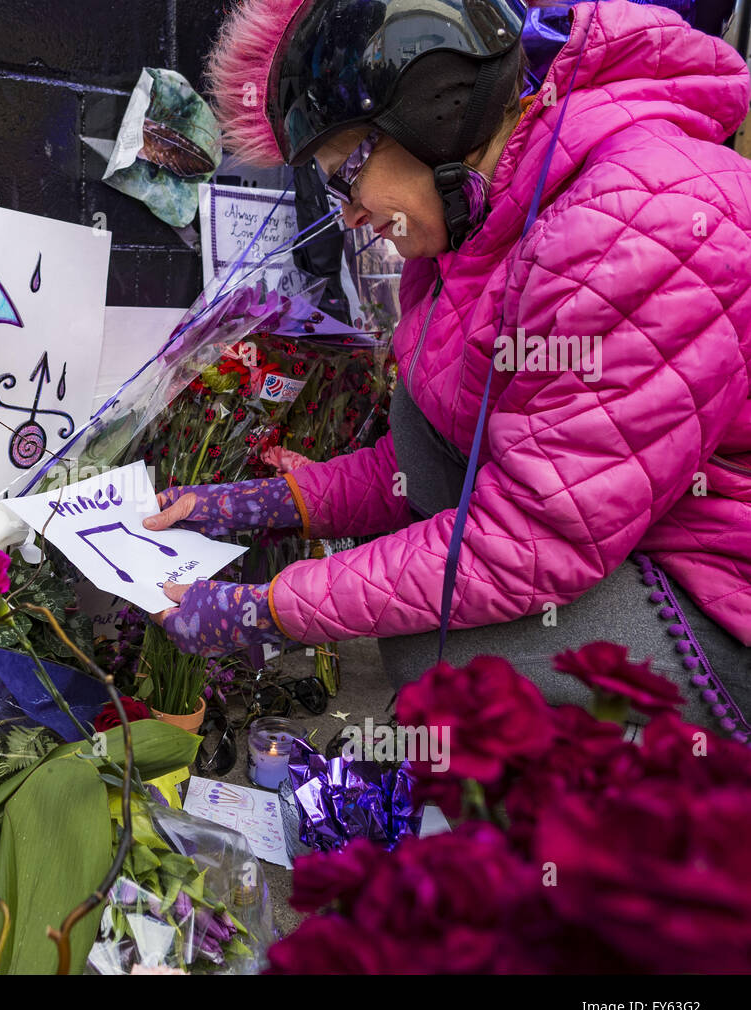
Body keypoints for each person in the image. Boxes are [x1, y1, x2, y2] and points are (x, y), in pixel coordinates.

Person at [147, 0, 751, 738]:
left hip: (716, 606)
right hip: (627, 546)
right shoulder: (476, 226)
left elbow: (531, 537)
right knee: (421, 587)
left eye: (346, 177)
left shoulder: (635, 220)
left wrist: (271, 608)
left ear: (434, 112)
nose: (349, 216)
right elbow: (430, 462)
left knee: (447, 657)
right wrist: (265, 504)